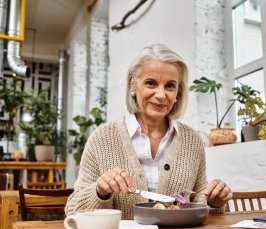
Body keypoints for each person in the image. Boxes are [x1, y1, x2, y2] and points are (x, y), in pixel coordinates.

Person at [65, 44, 232, 219]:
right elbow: (73, 210)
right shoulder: (102, 138)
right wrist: (100, 191)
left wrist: (214, 201)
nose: (161, 95)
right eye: (151, 83)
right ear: (132, 84)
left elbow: (198, 201)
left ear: (177, 93)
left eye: (170, 86)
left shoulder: (192, 140)